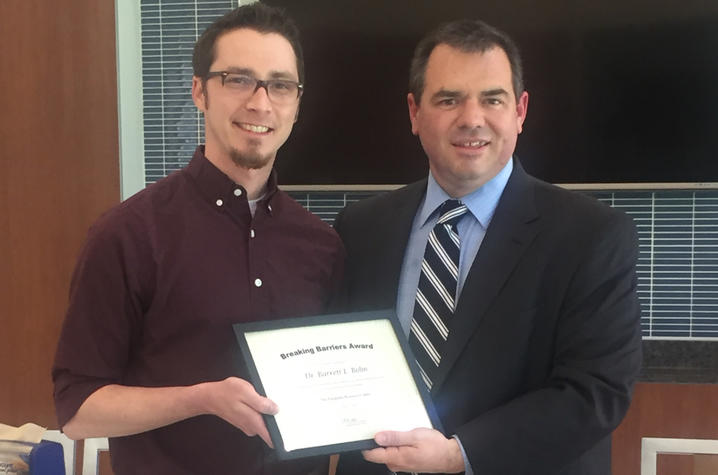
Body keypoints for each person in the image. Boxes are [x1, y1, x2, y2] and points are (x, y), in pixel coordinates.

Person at [334, 19, 642, 475]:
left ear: (519, 110)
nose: (472, 118)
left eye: (492, 99)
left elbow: (594, 393)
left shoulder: (593, 236)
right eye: (449, 99)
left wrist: (460, 455)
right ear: (415, 113)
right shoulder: (361, 228)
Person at [52, 4, 344, 474]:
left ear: (296, 104)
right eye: (238, 79)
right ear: (199, 92)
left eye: (280, 85)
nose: (260, 102)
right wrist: (202, 399)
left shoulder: (322, 246)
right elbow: (78, 410)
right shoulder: (128, 235)